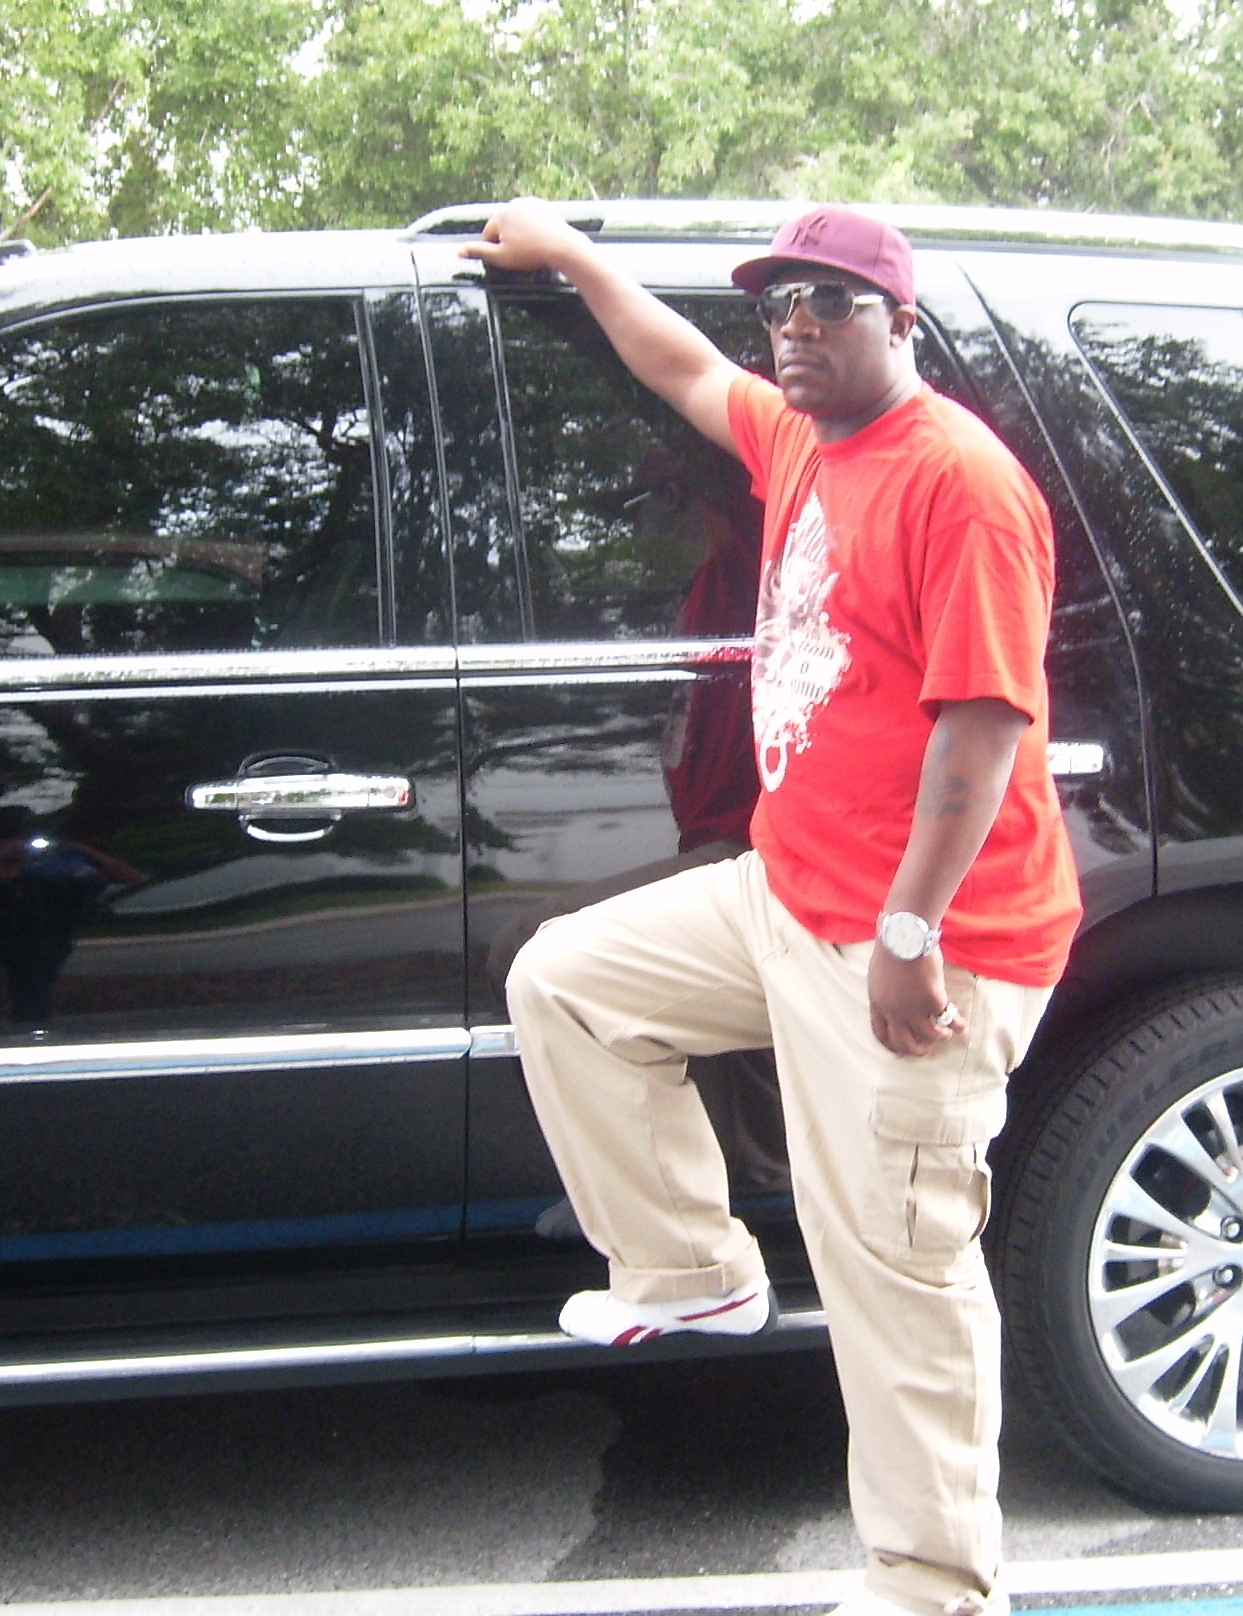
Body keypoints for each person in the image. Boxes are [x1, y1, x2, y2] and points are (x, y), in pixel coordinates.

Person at [466, 199, 1081, 1616]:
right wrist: (573, 257)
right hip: (788, 893)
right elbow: (683, 365)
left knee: (896, 1277)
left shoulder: (962, 485)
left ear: (899, 322)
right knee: (567, 984)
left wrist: (910, 937)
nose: (794, 330)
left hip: (922, 941)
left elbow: (985, 727)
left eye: (828, 305)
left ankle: (935, 1590)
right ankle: (688, 1266)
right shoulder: (805, 433)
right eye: (779, 307)